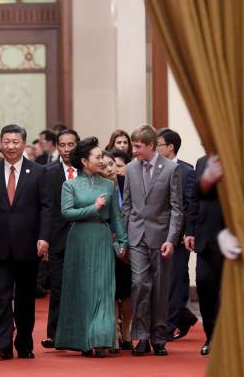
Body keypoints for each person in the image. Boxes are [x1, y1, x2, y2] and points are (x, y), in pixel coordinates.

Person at [0, 124, 52, 360]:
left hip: (29, 245)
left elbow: (46, 208)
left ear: (23, 144)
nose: (10, 146)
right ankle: (1, 344)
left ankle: (24, 344)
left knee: (25, 299)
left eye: (15, 142)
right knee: (1, 296)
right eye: (6, 141)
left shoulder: (39, 171)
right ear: (0, 143)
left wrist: (44, 237)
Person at [54, 138, 128, 357]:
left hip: (102, 238)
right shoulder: (70, 185)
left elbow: (116, 216)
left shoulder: (108, 185)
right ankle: (83, 339)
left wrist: (123, 241)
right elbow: (67, 213)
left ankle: (100, 339)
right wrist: (93, 207)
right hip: (79, 239)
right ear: (85, 161)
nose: (102, 160)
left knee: (104, 289)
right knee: (83, 290)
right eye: (97, 157)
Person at [121, 125, 183, 356]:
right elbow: (127, 205)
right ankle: (141, 336)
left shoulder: (171, 169)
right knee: (139, 284)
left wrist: (172, 239)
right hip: (136, 236)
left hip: (161, 237)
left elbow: (176, 208)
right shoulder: (130, 168)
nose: (134, 150)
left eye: (138, 146)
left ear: (150, 145)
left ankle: (158, 336)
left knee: (159, 287)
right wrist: (124, 238)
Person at [155, 129, 198, 341]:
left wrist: (187, 232)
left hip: (178, 237)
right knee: (160, 281)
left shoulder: (187, 171)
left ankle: (169, 325)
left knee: (176, 280)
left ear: (170, 147)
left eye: (158, 145)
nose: (156, 149)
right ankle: (185, 317)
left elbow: (189, 205)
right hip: (156, 233)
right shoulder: (152, 169)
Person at [40, 128, 80, 350]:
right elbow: (45, 208)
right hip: (57, 238)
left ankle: (79, 332)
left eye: (70, 144)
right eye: (62, 145)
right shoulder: (48, 172)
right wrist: (44, 238)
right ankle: (54, 334)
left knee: (81, 287)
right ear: (57, 147)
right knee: (58, 288)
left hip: (83, 237)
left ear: (77, 145)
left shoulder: (87, 170)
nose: (66, 149)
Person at [184, 154, 226, 356]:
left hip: (233, 238)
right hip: (205, 238)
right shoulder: (202, 162)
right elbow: (194, 199)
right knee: (204, 285)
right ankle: (212, 337)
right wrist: (190, 231)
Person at [110, 148, 134, 351]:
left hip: (128, 244)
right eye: (110, 165)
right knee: (110, 291)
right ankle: (113, 334)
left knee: (127, 292)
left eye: (118, 165)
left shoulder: (128, 185)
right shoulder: (100, 185)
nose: (114, 169)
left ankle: (126, 331)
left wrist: (125, 242)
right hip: (106, 244)